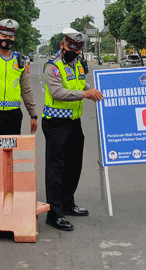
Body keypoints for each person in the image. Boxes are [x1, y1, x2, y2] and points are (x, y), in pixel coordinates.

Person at [42, 28, 103, 232]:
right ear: (62, 45)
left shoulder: (78, 65)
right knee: (56, 169)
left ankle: (68, 203)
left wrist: (95, 89)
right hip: (55, 123)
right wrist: (86, 94)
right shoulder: (53, 66)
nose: (74, 52)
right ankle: (54, 214)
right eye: (71, 47)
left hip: (74, 122)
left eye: (78, 49)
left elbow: (80, 83)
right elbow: (58, 92)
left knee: (74, 166)